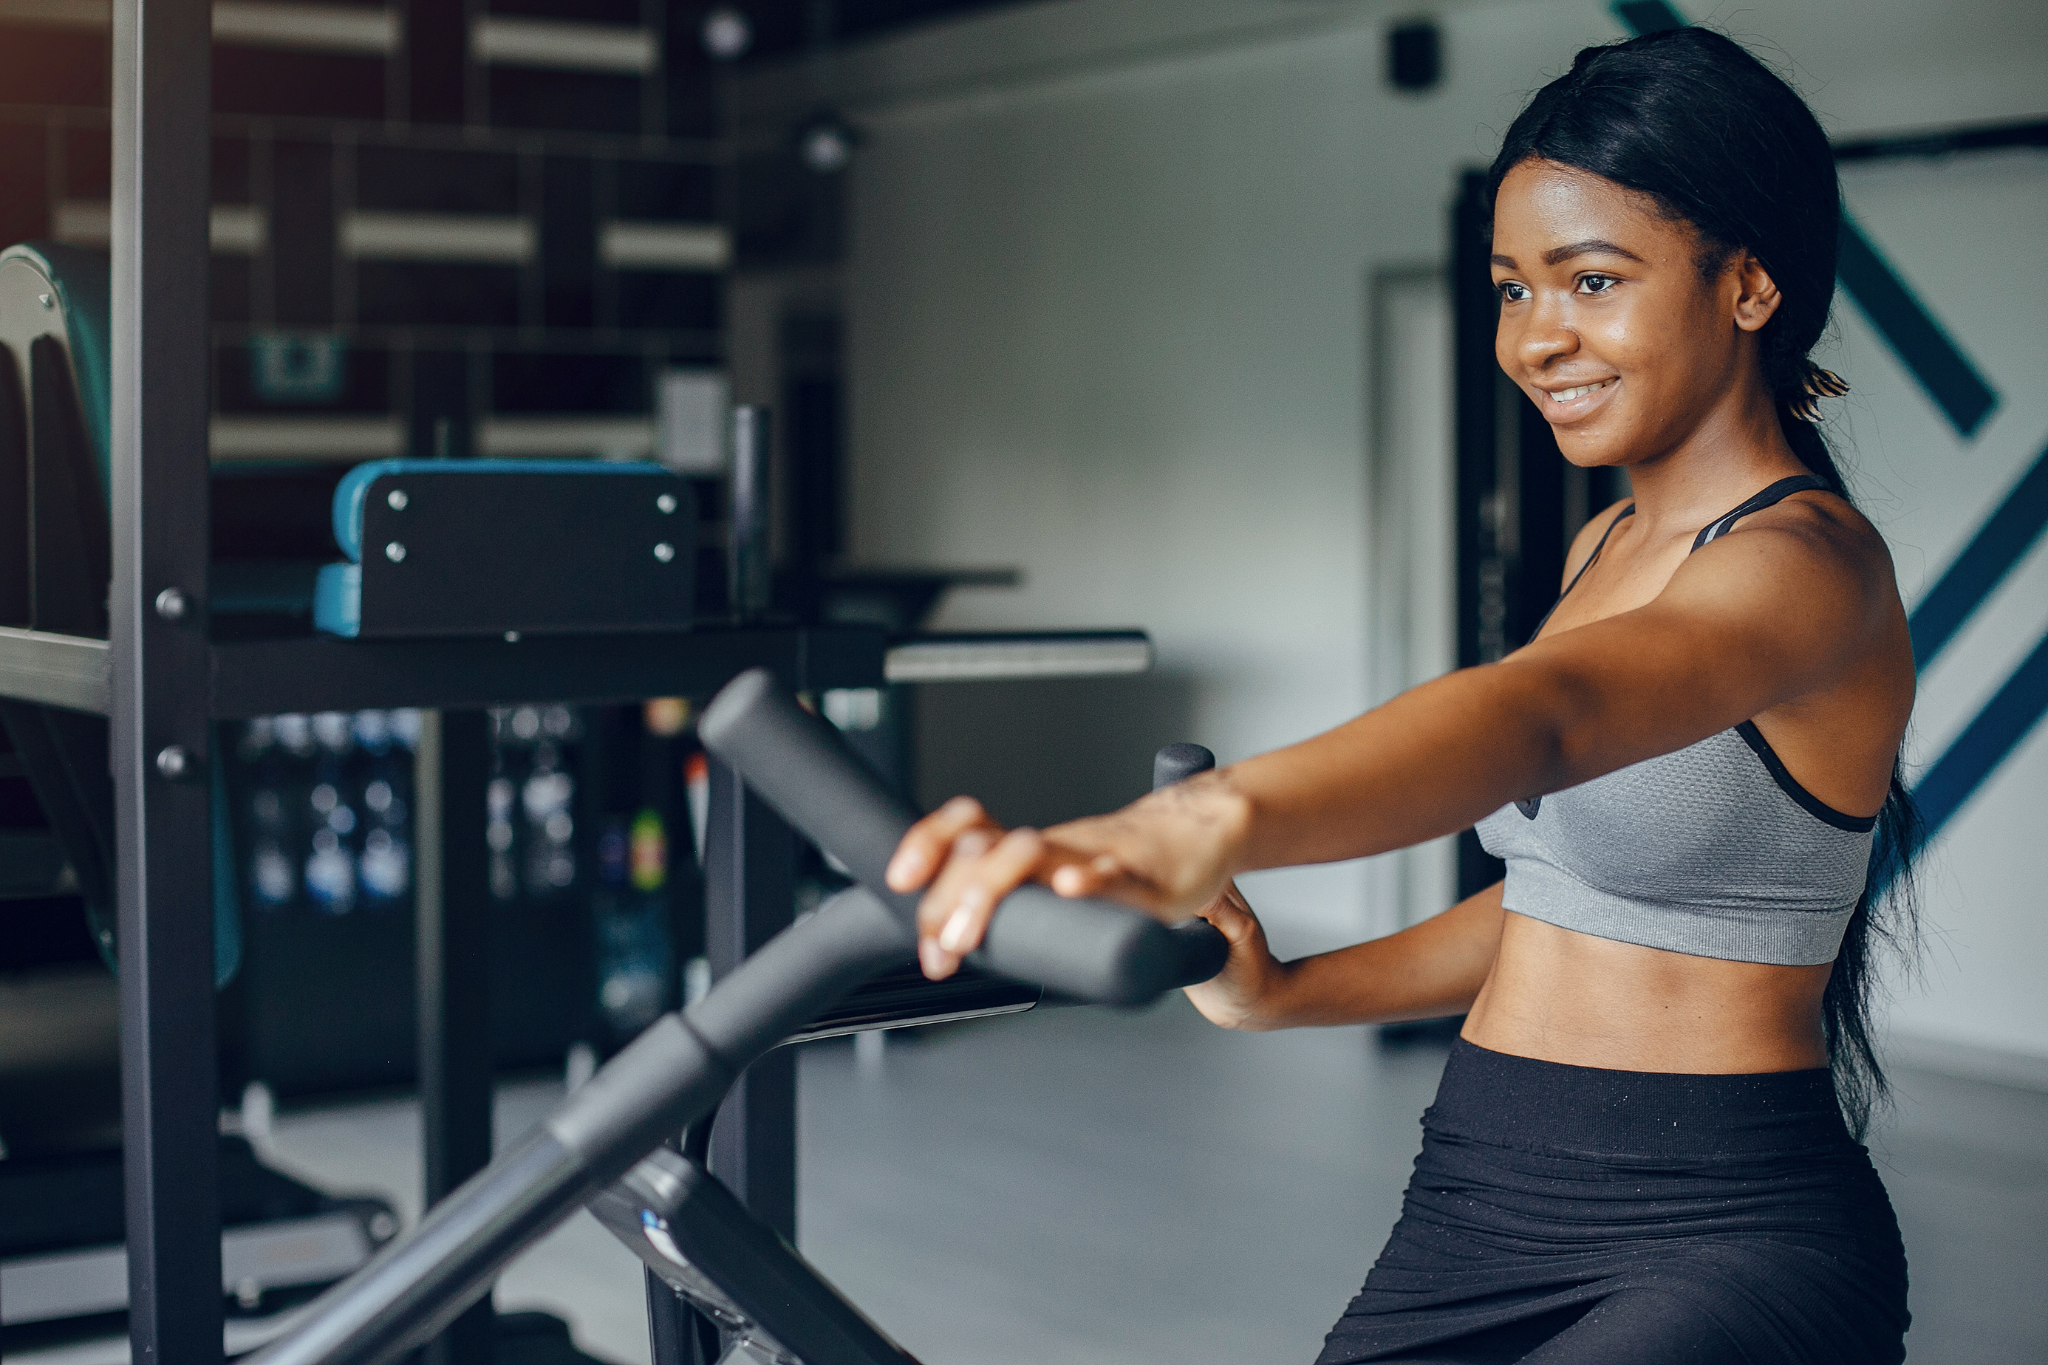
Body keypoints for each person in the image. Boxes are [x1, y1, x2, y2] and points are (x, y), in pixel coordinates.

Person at [883, 26, 1919, 1365]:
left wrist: (1194, 824)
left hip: (1721, 1229)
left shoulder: (1806, 572)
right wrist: (1288, 993)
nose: (1539, 338)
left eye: (1592, 280)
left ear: (1751, 286)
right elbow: (1559, 911)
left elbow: (1539, 717)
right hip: (1481, 1191)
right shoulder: (1604, 550)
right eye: (1510, 290)